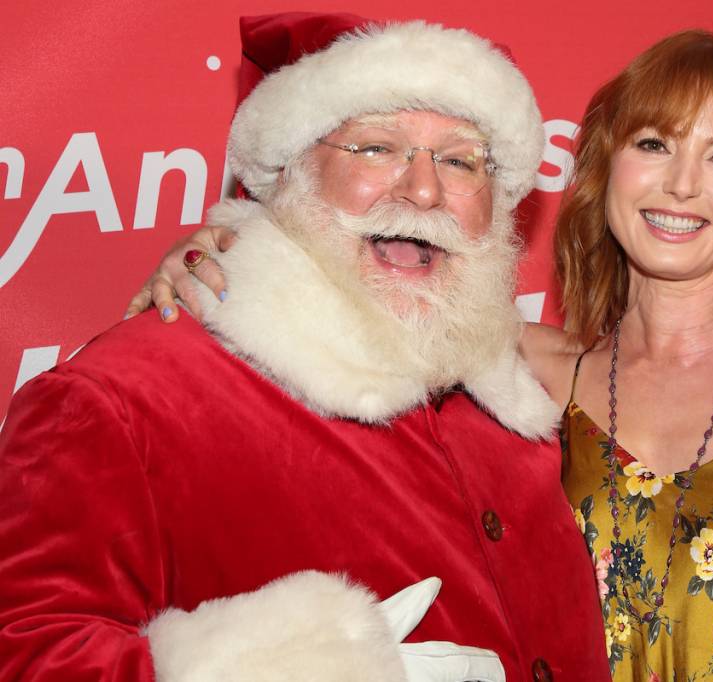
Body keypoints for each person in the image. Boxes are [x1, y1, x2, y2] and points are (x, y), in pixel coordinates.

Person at [134, 24, 713, 682]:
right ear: (604, 174)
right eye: (653, 145)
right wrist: (225, 254)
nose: (681, 185)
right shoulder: (513, 371)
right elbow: (339, 301)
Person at [0, 14, 614, 681]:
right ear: (287, 171)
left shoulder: (513, 403)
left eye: (460, 160)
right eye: (377, 148)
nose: (425, 189)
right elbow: (25, 649)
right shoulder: (121, 403)